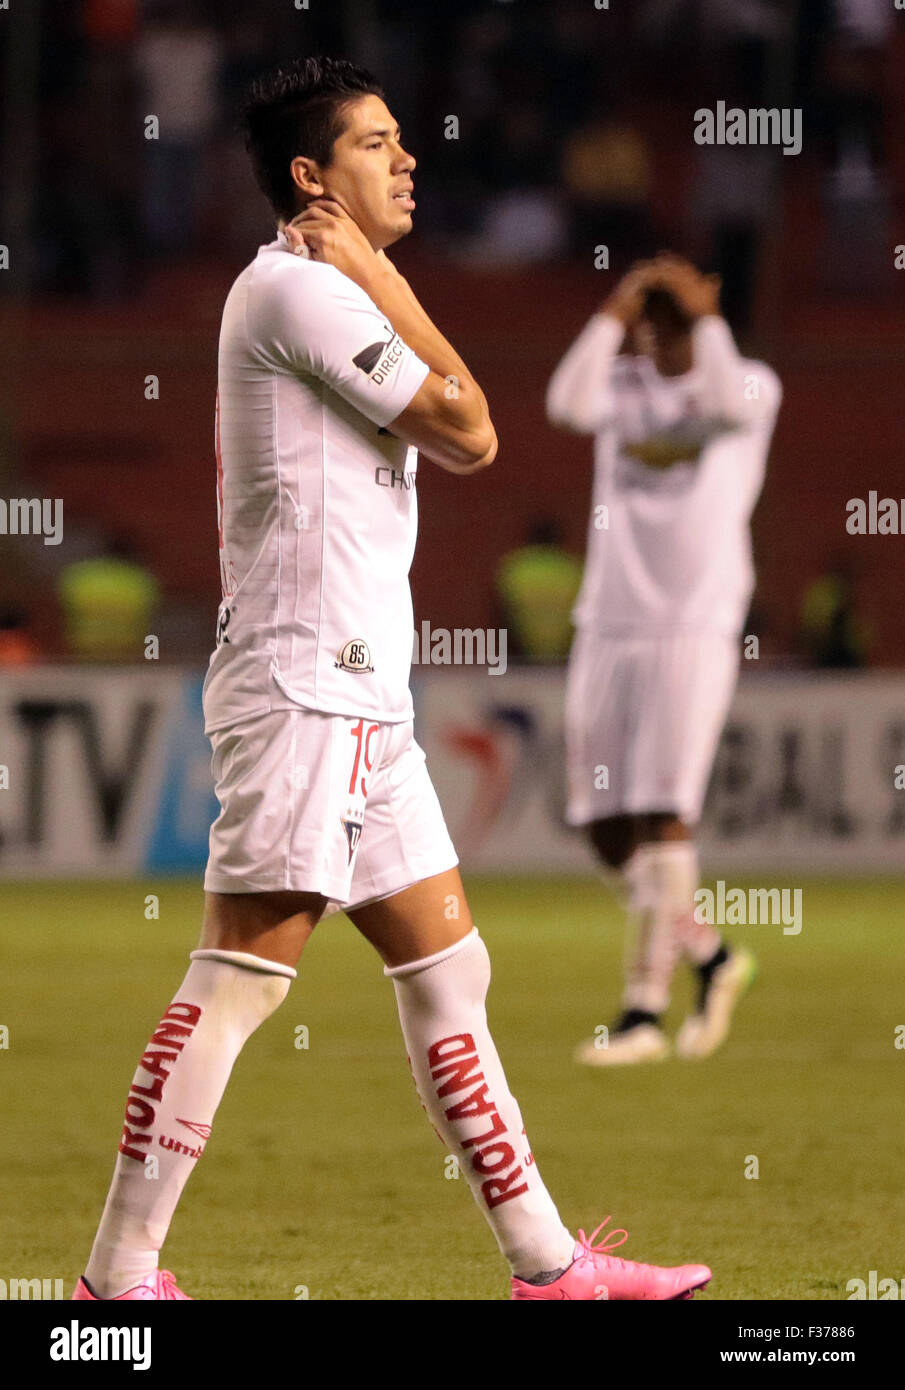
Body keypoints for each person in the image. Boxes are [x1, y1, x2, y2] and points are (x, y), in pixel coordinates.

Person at [73, 59, 710, 1303]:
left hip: (366, 698)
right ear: (311, 178)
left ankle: (545, 1265)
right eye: (375, 143)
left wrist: (381, 277)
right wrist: (379, 277)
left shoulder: (334, 289)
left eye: (403, 138)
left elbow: (464, 418)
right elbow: (473, 432)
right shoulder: (296, 293)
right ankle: (116, 1278)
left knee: (447, 970)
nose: (406, 159)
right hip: (305, 685)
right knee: (241, 977)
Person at [547, 254, 781, 1066]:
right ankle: (711, 956)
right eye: (647, 322)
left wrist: (705, 313)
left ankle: (642, 1015)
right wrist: (613, 308)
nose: (650, 335)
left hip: (692, 621)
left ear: (700, 326)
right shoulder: (621, 385)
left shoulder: (748, 384)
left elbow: (720, 404)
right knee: (603, 825)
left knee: (660, 809)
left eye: (665, 321)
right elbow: (564, 402)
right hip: (609, 618)